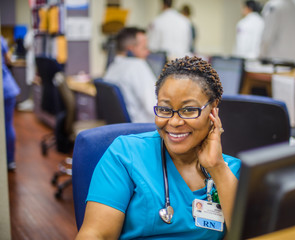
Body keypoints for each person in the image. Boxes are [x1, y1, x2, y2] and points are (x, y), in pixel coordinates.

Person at [75, 56, 241, 239]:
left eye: (188, 110)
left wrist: (216, 168)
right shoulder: (125, 154)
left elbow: (248, 234)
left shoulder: (232, 171)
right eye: (164, 109)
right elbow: (96, 235)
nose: (174, 122)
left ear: (213, 108)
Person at [103, 27, 157, 123]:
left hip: (122, 129)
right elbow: (154, 107)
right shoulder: (137, 65)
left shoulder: (112, 67)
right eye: (144, 48)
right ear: (130, 50)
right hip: (143, 129)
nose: (148, 52)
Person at [1, 36, 20, 170]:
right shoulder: (1, 39)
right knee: (8, 126)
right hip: (7, 87)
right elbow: (8, 59)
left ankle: (8, 160)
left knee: (7, 126)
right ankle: (10, 161)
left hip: (5, 89)